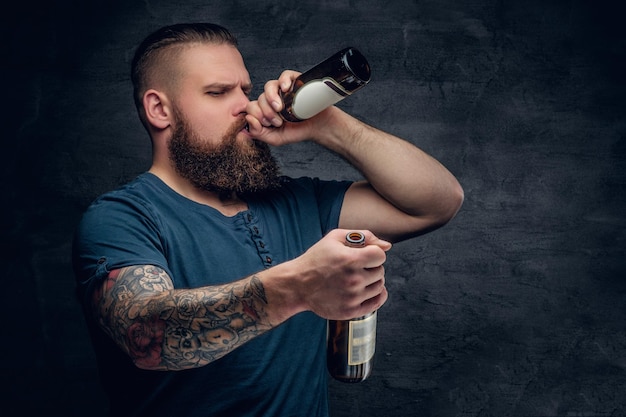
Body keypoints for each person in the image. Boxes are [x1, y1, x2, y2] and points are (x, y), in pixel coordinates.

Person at [72, 22, 463, 417]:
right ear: (160, 109)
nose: (244, 104)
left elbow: (436, 201)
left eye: (245, 88)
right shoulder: (122, 218)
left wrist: (329, 126)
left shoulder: (297, 200)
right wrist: (296, 288)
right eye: (218, 92)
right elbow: (145, 335)